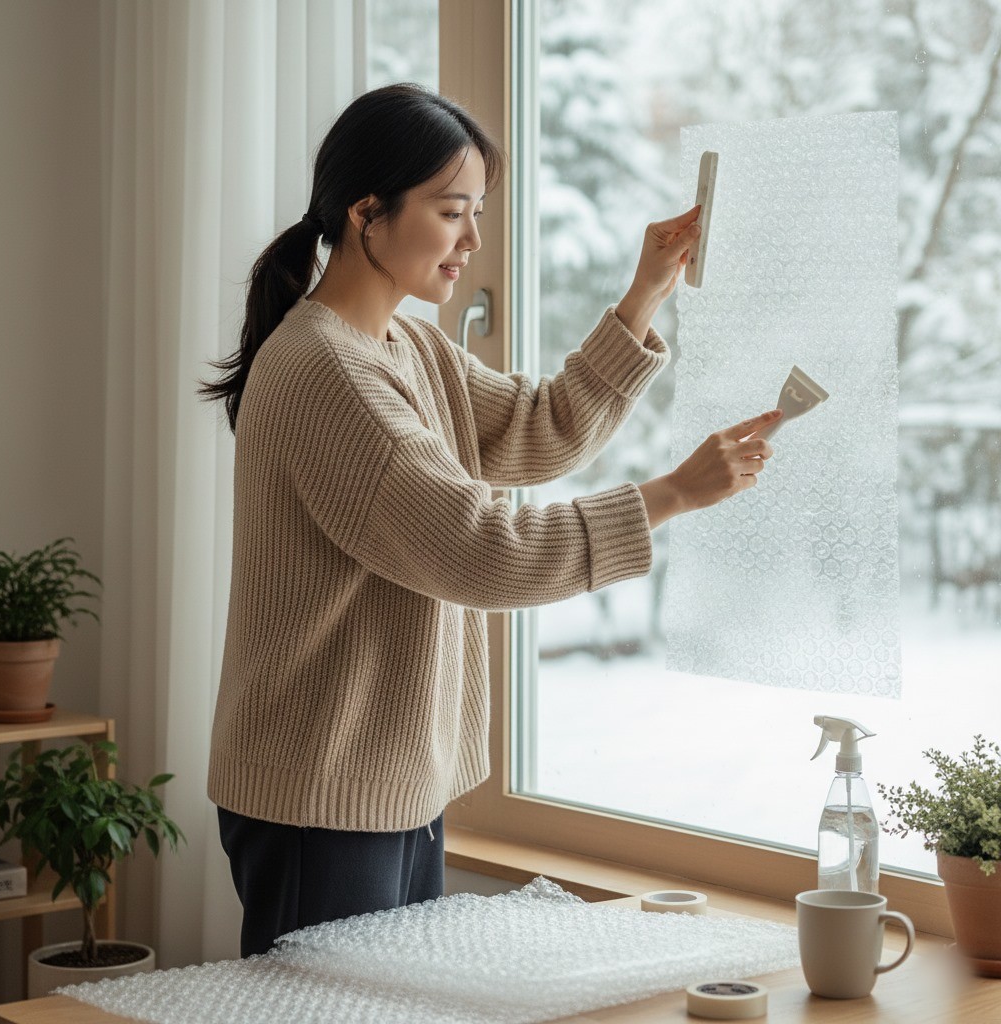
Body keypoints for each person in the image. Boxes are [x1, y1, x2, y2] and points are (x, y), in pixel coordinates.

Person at [200, 82, 781, 958]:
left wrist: (646, 294)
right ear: (367, 213)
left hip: (384, 780)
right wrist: (671, 495)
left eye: (477, 212)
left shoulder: (407, 344)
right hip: (320, 792)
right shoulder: (328, 373)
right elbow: (481, 551)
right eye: (451, 212)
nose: (473, 239)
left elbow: (536, 429)